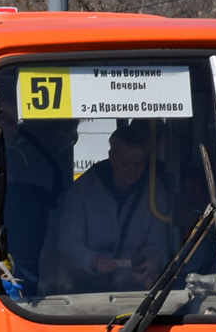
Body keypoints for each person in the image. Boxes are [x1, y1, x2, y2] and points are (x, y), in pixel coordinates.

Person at [56, 121, 171, 293]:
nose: (132, 170)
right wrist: (92, 259)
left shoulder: (155, 191)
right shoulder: (83, 189)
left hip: (133, 287)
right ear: (112, 157)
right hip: (83, 287)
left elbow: (158, 243)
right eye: (126, 164)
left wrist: (152, 262)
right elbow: (68, 243)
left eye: (139, 165)